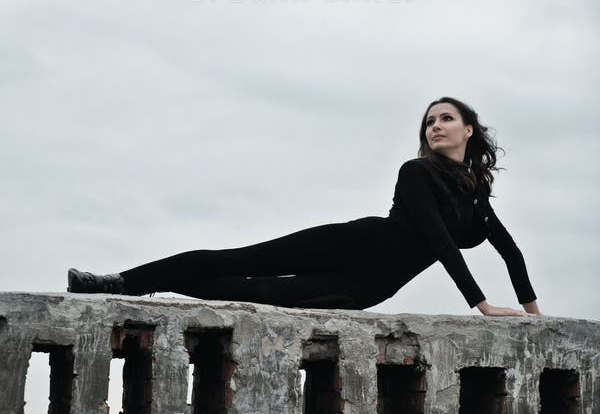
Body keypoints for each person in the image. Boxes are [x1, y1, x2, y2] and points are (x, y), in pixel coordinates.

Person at [67, 96, 542, 317]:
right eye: (429, 121)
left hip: (366, 287)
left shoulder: (476, 193)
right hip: (350, 244)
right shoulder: (416, 172)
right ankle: (122, 283)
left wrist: (532, 314)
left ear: (468, 130)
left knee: (250, 292)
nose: (434, 127)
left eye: (446, 119)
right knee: (240, 261)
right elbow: (439, 242)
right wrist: (481, 305)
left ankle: (156, 284)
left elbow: (510, 250)